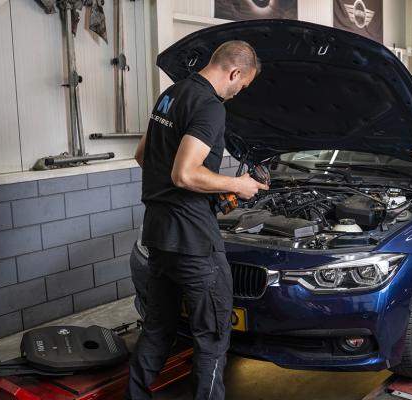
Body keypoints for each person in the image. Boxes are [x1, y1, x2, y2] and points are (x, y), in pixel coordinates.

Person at [126, 40, 266, 400]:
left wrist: (211, 188)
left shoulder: (171, 95)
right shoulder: (209, 106)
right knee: (213, 335)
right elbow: (185, 174)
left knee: (157, 327)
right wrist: (237, 184)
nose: (237, 94)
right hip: (193, 242)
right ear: (234, 72)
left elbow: (143, 155)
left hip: (158, 235)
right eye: (242, 85)